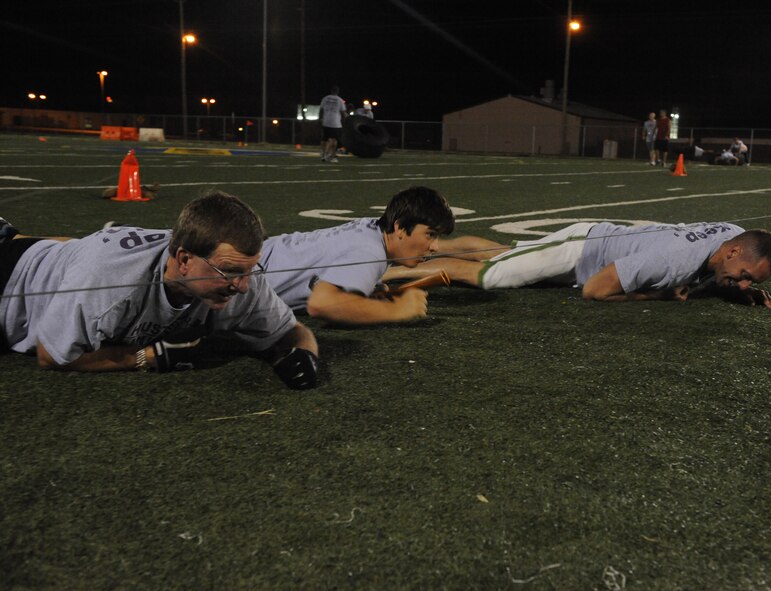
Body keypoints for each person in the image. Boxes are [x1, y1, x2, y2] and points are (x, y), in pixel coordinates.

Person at [0, 193, 320, 389]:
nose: (244, 285)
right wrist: (146, 357)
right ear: (183, 260)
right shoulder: (110, 278)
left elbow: (294, 330)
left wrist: (306, 355)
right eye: (231, 272)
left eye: (251, 270)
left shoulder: (240, 273)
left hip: (60, 258)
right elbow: (52, 355)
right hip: (10, 283)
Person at [384, 222, 771, 309]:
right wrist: (655, 293)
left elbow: (733, 260)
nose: (744, 284)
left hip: (593, 239)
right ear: (732, 252)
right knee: (492, 276)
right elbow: (596, 289)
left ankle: (434, 246)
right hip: (581, 254)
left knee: (505, 251)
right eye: (746, 276)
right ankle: (390, 273)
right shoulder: (671, 262)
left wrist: (732, 287)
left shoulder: (734, 234)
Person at [261, 186, 459, 325]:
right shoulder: (371, 251)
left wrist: (362, 294)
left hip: (259, 254)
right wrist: (398, 310)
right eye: (430, 234)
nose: (434, 246)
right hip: (242, 277)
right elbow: (322, 305)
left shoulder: (373, 229)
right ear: (399, 227)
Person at [319, 85, 348, 163]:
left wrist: (320, 119)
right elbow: (343, 113)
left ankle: (323, 153)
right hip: (335, 123)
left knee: (325, 139)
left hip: (325, 121)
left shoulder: (325, 98)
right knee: (334, 140)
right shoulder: (340, 100)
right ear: (338, 92)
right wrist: (347, 121)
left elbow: (321, 110)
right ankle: (330, 156)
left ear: (331, 91)